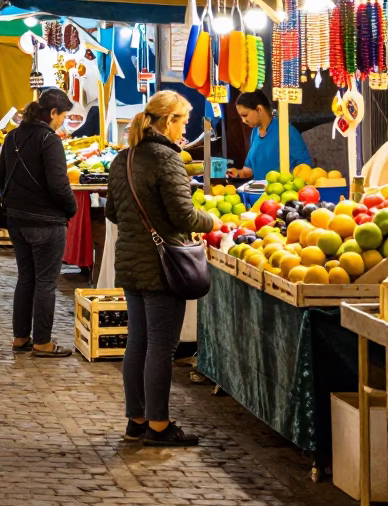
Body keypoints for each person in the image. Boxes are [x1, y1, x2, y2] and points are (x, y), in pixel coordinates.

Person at [106, 90, 216, 447]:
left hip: (131, 264)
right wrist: (211, 220)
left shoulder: (122, 158)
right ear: (168, 120)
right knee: (161, 347)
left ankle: (136, 420)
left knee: (137, 342)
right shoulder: (167, 159)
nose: (184, 129)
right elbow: (184, 215)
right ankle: (158, 425)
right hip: (161, 265)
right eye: (183, 121)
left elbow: (112, 213)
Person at [0, 88, 77, 358]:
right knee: (45, 282)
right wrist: (71, 207)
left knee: (26, 278)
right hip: (46, 223)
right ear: (52, 113)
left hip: (17, 221)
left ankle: (20, 337)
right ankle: (42, 342)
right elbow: (59, 184)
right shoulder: (49, 140)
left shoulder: (13, 137)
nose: (63, 122)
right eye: (63, 116)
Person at [226, 90, 311, 181]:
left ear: (259, 109)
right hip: (259, 192)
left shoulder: (286, 130)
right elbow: (248, 170)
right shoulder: (255, 132)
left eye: (245, 115)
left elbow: (305, 168)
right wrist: (237, 173)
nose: (243, 120)